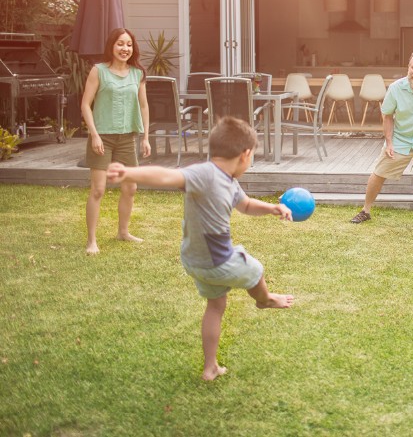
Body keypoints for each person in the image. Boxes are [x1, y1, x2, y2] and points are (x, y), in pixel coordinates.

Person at [107, 116, 295, 381]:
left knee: (216, 306)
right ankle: (265, 300)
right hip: (217, 260)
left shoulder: (229, 180)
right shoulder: (205, 174)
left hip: (196, 261)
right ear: (246, 155)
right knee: (254, 268)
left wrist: (272, 208)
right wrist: (129, 173)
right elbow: (167, 175)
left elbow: (246, 205)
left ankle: (210, 367)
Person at [350, 50, 413, 230]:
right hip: (400, 139)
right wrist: (389, 142)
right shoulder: (396, 88)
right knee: (378, 173)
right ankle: (365, 211)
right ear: (408, 68)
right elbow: (387, 115)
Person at [81, 28, 150, 255]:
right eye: (120, 44)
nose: (125, 49)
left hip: (127, 137)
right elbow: (85, 105)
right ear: (112, 46)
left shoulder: (137, 73)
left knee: (130, 187)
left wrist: (146, 137)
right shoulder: (98, 71)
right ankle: (92, 240)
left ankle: (123, 232)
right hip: (103, 137)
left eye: (129, 44)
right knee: (98, 190)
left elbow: (143, 105)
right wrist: (94, 134)